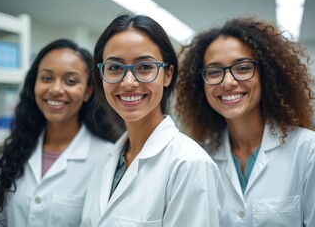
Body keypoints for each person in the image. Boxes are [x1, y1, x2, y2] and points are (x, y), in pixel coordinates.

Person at [175, 16, 315, 226]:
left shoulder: (310, 150)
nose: (228, 82)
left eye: (243, 68)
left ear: (266, 75)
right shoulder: (201, 157)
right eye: (214, 72)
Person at [80, 14, 225, 227]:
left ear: (167, 74)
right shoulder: (106, 161)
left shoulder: (189, 165)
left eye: (145, 67)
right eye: (115, 68)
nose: (128, 82)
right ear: (101, 76)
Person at [0, 39, 122, 227]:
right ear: (34, 85)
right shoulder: (14, 150)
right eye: (47, 78)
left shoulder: (107, 158)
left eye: (70, 81)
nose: (56, 89)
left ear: (88, 92)